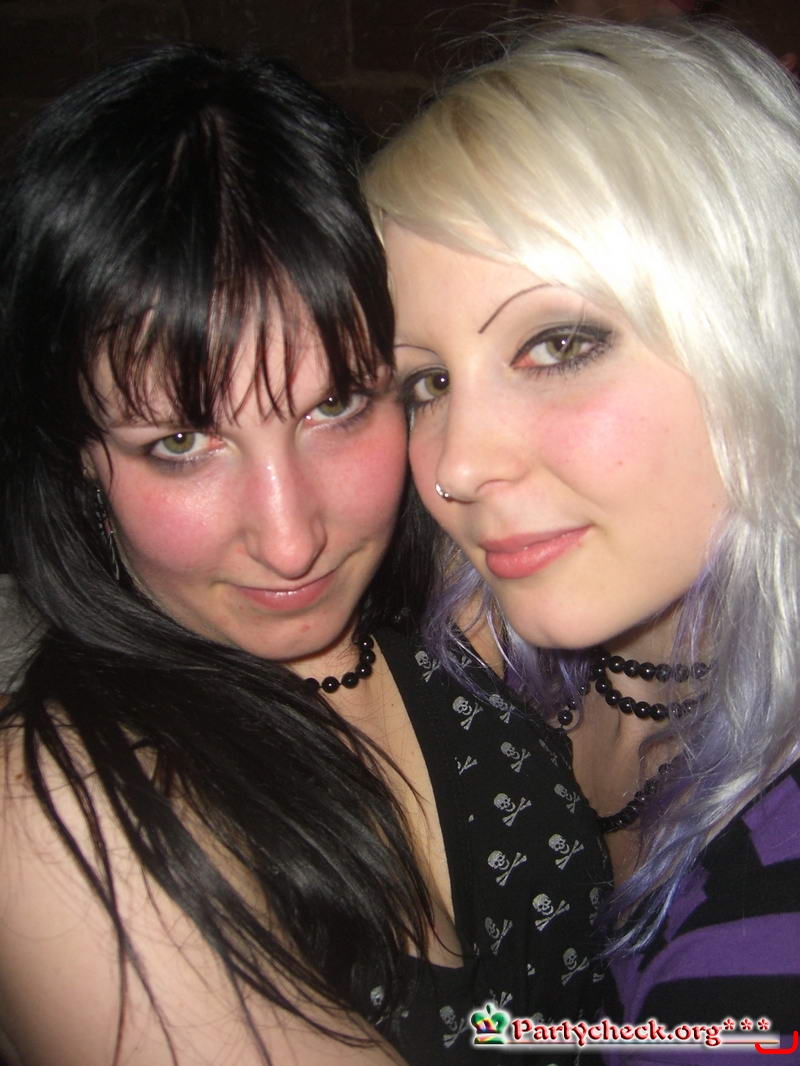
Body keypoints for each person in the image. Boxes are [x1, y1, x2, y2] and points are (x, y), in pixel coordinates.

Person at [0, 43, 609, 1066]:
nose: (292, 540)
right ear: (77, 459)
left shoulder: (482, 620)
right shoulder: (56, 814)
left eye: (337, 405)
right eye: (181, 443)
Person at [364, 18, 800, 1061]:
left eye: (557, 344)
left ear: (757, 330)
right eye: (426, 382)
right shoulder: (477, 645)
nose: (457, 466)